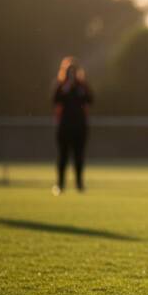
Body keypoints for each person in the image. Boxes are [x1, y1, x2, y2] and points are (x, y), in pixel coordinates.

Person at [52, 57, 93, 195]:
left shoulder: (82, 86)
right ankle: (60, 184)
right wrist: (66, 88)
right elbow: (54, 99)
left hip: (80, 127)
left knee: (79, 157)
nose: (72, 74)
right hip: (64, 127)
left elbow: (91, 99)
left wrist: (81, 90)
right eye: (69, 71)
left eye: (74, 71)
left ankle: (79, 184)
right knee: (63, 157)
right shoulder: (61, 85)